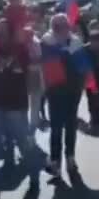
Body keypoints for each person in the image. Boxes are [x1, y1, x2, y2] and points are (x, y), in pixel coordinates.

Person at [0, 18, 43, 199]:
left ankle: (34, 177)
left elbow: (32, 76)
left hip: (17, 106)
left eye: (5, 31)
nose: (2, 34)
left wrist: (32, 105)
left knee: (24, 146)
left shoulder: (22, 50)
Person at [40, 13, 87, 177]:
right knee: (56, 127)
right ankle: (55, 161)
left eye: (64, 26)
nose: (61, 30)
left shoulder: (76, 43)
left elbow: (83, 69)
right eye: (57, 26)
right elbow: (47, 66)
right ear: (52, 28)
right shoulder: (46, 42)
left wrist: (80, 89)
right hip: (55, 92)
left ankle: (70, 157)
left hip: (72, 92)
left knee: (71, 126)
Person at [83, 30, 99, 130]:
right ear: (90, 40)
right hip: (90, 77)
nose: (96, 44)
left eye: (98, 41)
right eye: (94, 41)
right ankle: (94, 119)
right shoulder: (84, 49)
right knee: (92, 98)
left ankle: (97, 118)